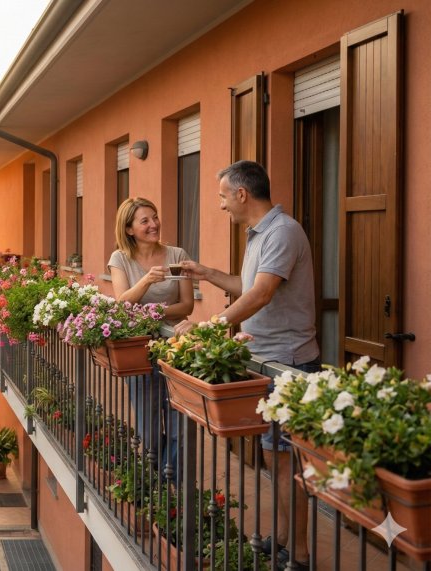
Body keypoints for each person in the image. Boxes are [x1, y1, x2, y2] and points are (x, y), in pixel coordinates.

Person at [175, 160, 319, 570]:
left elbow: (260, 294)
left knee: (286, 462)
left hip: (288, 364)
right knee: (275, 460)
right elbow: (246, 286)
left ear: (242, 194)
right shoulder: (258, 236)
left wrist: (210, 326)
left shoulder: (282, 232)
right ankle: (286, 540)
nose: (221, 205)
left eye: (222, 196)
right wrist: (205, 272)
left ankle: (301, 555)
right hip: (265, 360)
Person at [109, 197, 194, 478]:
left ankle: (173, 476)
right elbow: (122, 305)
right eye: (145, 220)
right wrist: (146, 280)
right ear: (130, 228)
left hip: (174, 348)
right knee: (147, 423)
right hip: (139, 349)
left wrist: (151, 314)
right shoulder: (120, 259)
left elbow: (187, 306)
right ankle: (156, 468)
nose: (154, 224)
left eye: (155, 217)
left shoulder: (176, 254)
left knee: (178, 419)